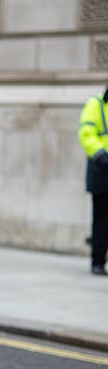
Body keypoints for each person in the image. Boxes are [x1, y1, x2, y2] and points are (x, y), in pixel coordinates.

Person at [78, 82, 108, 276]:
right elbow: (86, 134)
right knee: (101, 220)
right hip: (102, 170)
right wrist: (101, 155)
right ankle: (97, 260)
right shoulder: (95, 104)